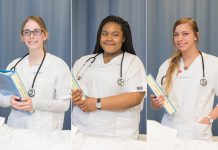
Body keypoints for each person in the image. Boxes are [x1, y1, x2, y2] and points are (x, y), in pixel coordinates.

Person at [71, 15, 146, 139]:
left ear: (123, 39)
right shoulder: (83, 62)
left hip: (117, 136)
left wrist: (97, 103)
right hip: (81, 133)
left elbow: (135, 97)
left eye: (115, 34)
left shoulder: (133, 62)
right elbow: (70, 88)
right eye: (105, 34)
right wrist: (73, 96)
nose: (109, 38)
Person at [150, 17, 218, 140]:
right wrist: (155, 103)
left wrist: (208, 119)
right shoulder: (166, 65)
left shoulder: (213, 64)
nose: (180, 39)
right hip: (169, 133)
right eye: (176, 35)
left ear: (196, 36)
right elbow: (156, 103)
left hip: (198, 134)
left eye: (185, 34)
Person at [0, 16, 71, 130]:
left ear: (45, 35)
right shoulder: (14, 65)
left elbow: (64, 104)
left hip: (46, 133)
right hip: (16, 130)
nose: (31, 36)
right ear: (22, 37)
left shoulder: (59, 65)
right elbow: (1, 96)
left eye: (36, 31)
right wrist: (10, 100)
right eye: (27, 32)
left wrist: (35, 103)